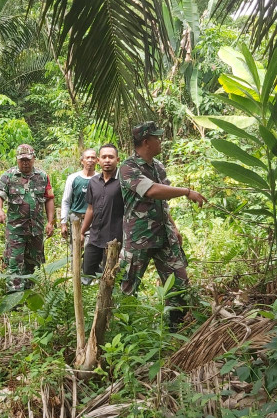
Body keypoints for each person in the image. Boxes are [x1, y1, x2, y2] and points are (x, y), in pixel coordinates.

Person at [118, 121, 206, 323]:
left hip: (163, 234)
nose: (161, 141)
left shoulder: (158, 167)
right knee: (128, 286)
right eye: (157, 138)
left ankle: (175, 327)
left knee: (178, 282)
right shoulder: (127, 168)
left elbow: (162, 200)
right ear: (146, 142)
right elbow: (151, 191)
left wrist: (173, 227)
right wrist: (187, 192)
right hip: (139, 237)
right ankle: (123, 329)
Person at [0, 144, 55, 293]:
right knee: (14, 261)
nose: (25, 163)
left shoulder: (42, 177)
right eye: (22, 160)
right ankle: (14, 295)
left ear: (34, 158)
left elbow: (49, 199)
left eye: (28, 159)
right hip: (16, 229)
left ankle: (29, 292)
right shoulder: (8, 176)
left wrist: (50, 221)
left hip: (36, 229)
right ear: (17, 159)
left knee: (33, 261)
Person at [80, 144, 123, 281]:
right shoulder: (93, 182)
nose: (107, 160)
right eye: (104, 157)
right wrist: (82, 232)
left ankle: (112, 299)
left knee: (110, 274)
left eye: (111, 157)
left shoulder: (123, 183)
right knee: (87, 269)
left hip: (114, 238)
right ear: (99, 160)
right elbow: (90, 209)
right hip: (95, 236)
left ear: (118, 159)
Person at [60, 149, 97, 238]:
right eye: (87, 158)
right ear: (82, 161)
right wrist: (63, 223)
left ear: (97, 161)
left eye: (93, 158)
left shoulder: (99, 178)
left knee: (90, 249)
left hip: (94, 220)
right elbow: (66, 201)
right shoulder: (73, 178)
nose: (90, 160)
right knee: (75, 248)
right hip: (76, 219)